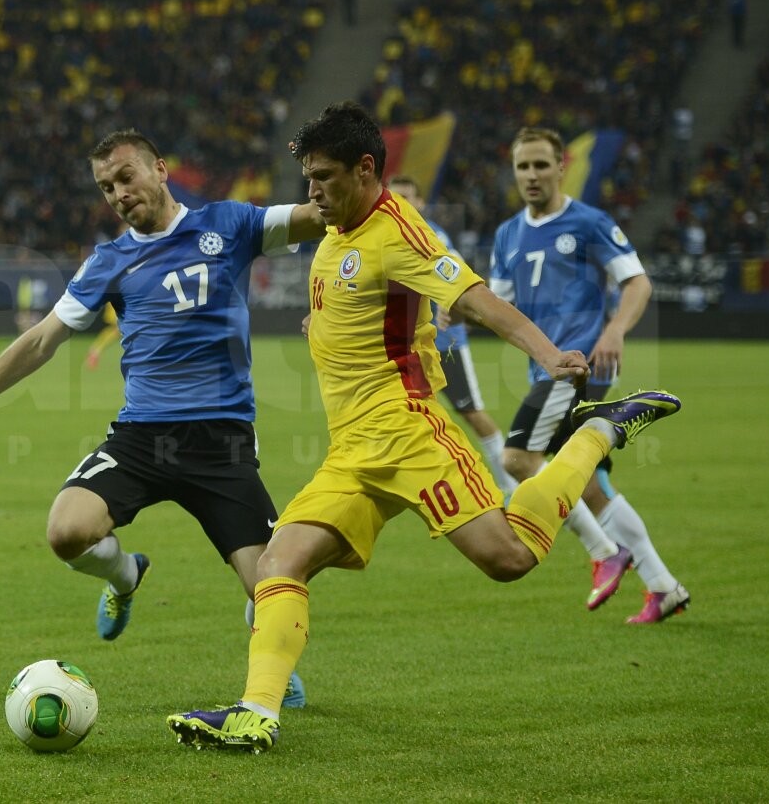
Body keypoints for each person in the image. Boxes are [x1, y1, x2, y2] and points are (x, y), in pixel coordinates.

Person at [166, 101, 681, 753]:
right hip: (352, 450)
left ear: (365, 169)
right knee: (279, 562)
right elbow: (367, 309)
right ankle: (255, 714)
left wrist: (549, 355)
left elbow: (473, 297)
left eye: (323, 177)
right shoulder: (335, 228)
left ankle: (598, 433)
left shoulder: (398, 232)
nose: (312, 192)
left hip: (409, 435)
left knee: (509, 558)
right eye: (307, 180)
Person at [0, 128, 327, 706]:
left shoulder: (231, 224)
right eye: (105, 186)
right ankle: (125, 577)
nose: (116, 193)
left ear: (160, 169)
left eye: (125, 176)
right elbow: (42, 340)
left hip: (221, 442)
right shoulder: (108, 260)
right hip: (142, 437)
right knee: (66, 531)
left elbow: (323, 215)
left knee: (275, 587)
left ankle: (271, 660)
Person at [492, 126, 689, 624]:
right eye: (523, 166)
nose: (531, 175)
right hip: (543, 368)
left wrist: (616, 330)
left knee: (517, 457)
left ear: (561, 167)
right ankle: (663, 586)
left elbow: (637, 282)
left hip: (577, 368)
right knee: (587, 485)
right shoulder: (507, 235)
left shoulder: (587, 222)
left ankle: (604, 551)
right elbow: (496, 306)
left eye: (541, 165)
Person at [386, 175, 519, 498]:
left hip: (446, 343)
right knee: (403, 414)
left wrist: (453, 304)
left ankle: (510, 485)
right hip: (409, 348)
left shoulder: (433, 234)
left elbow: (460, 274)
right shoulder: (385, 235)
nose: (402, 204)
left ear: (420, 203)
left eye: (408, 197)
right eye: (395, 198)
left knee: (471, 412)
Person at [84, 302, 121, 370]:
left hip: (121, 299)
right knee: (118, 329)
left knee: (116, 329)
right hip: (119, 300)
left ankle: (94, 349)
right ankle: (96, 351)